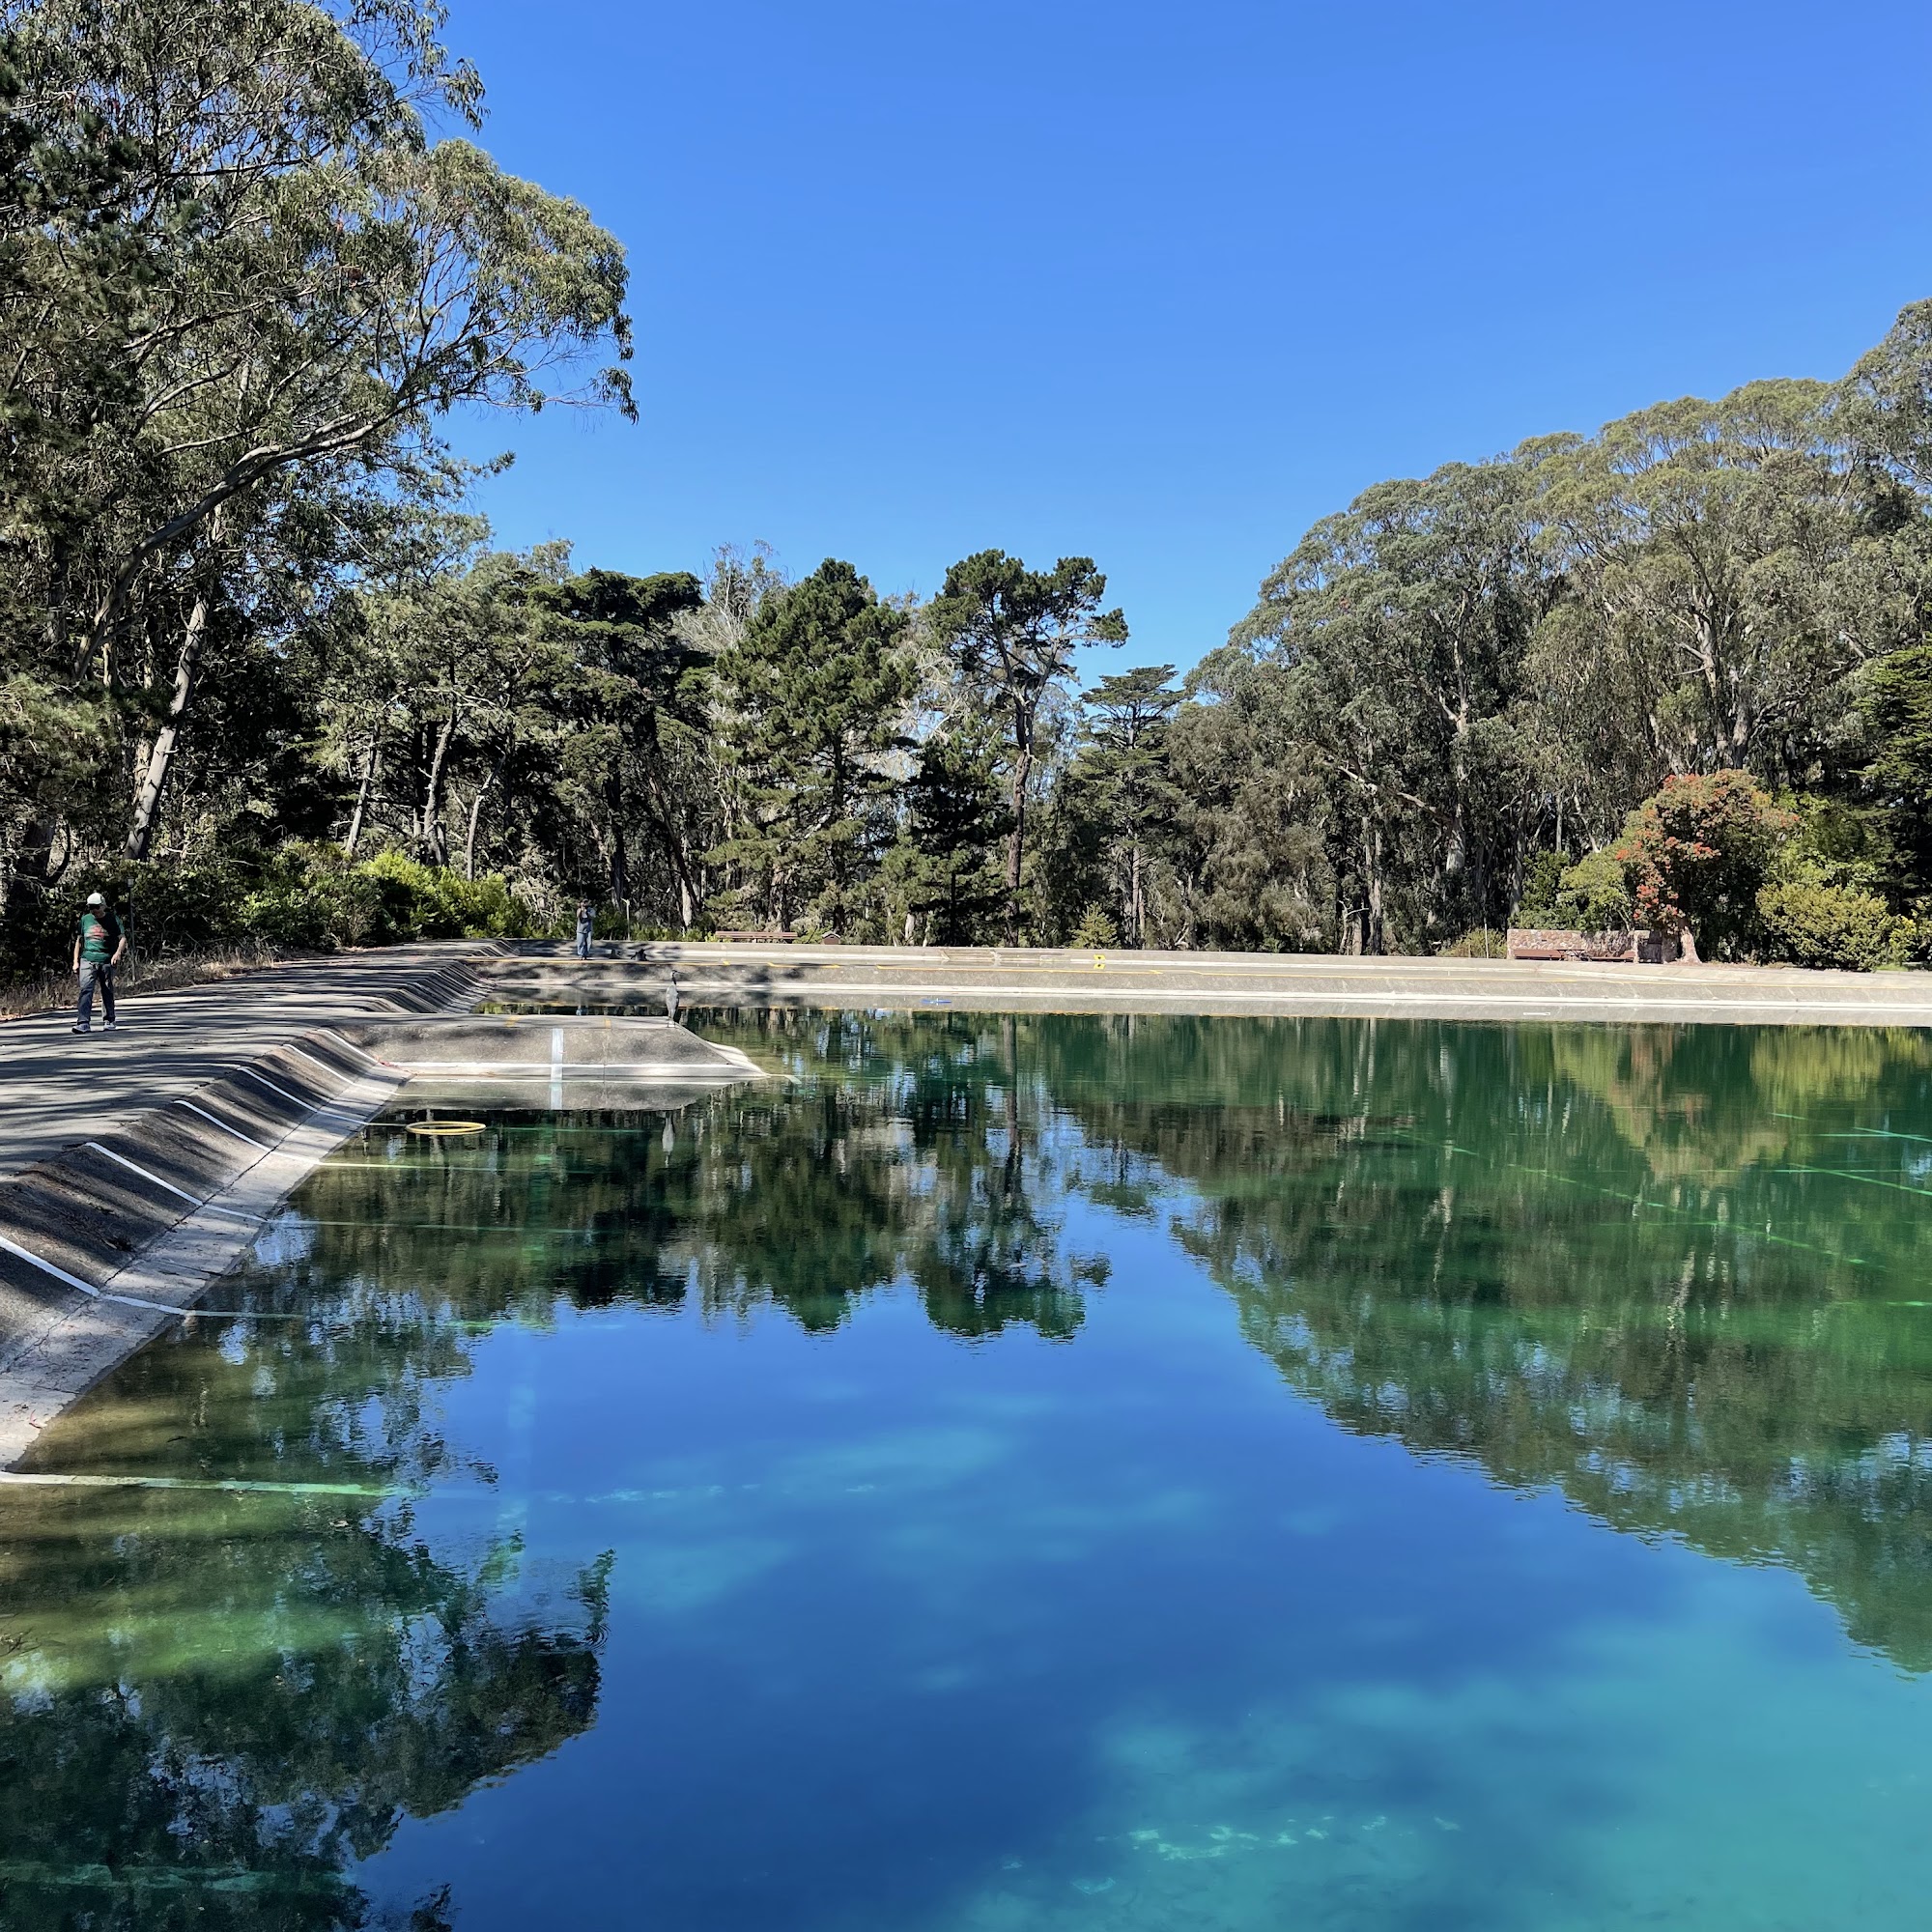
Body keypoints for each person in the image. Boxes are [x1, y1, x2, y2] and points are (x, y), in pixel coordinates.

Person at [72, 891, 127, 1034]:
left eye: (96, 907)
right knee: (86, 990)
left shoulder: (113, 919)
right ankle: (83, 1022)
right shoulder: (85, 920)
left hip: (106, 959)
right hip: (87, 959)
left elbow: (122, 938)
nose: (94, 910)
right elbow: (79, 941)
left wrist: (117, 953)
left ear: (103, 906)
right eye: (91, 907)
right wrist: (75, 962)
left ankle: (109, 1020)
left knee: (107, 989)